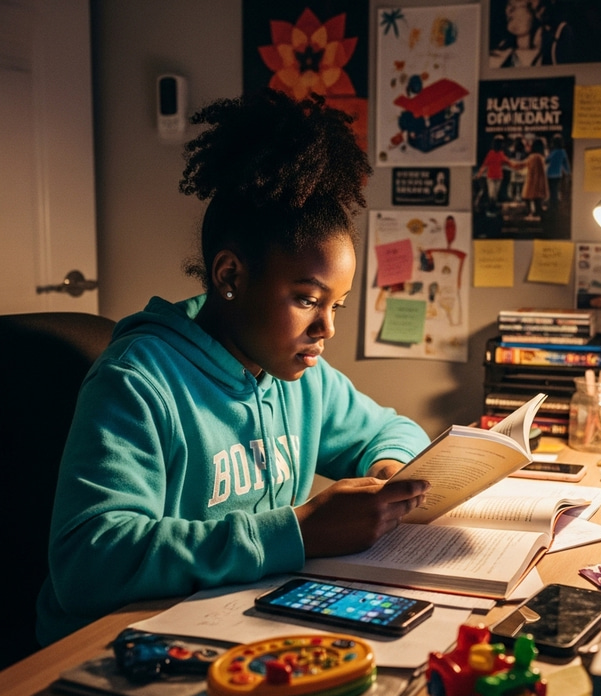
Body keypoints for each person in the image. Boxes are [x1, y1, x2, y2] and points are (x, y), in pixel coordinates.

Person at [36, 88, 431, 647]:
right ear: (229, 276)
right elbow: (88, 560)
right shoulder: (138, 381)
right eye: (306, 300)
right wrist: (294, 533)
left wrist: (388, 470)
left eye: (335, 306)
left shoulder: (299, 375)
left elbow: (395, 429)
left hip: (234, 627)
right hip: (110, 651)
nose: (327, 329)